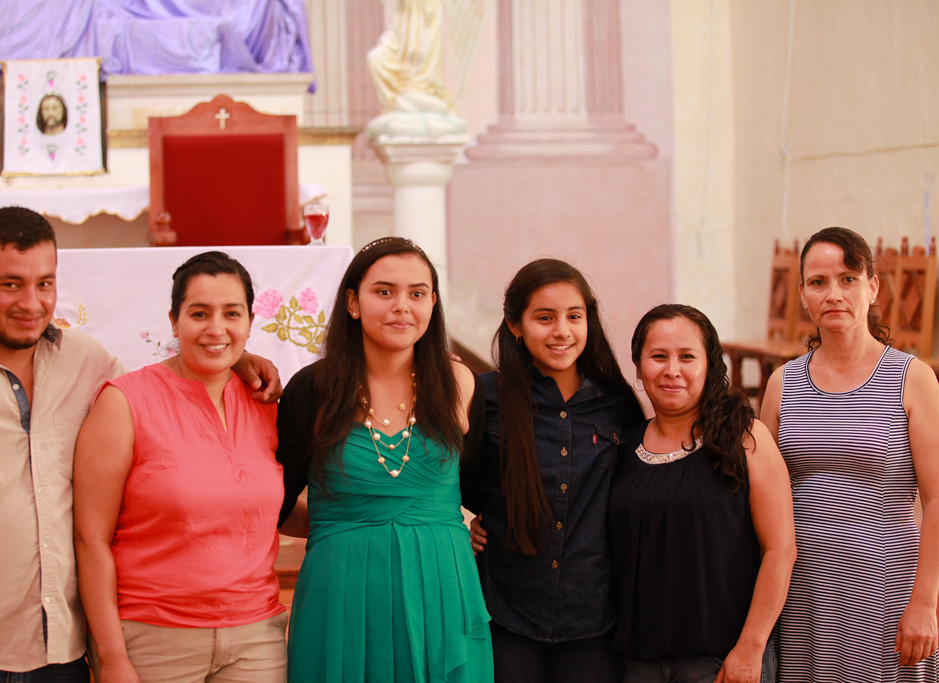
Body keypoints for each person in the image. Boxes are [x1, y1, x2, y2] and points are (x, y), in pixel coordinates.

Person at [0, 207, 280, 683]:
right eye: (11, 284)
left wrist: (233, 354)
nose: (31, 301)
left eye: (45, 283)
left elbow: (171, 397)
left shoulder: (85, 360)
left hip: (60, 650)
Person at [74, 252, 306, 683]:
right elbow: (90, 539)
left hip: (257, 637)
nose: (216, 329)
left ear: (250, 322)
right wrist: (111, 656)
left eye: (231, 313)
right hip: (153, 636)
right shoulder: (125, 402)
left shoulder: (266, 403)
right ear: (174, 319)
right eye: (199, 313)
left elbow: (273, 511)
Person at [276, 237, 493, 682]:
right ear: (353, 302)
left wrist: (467, 526)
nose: (402, 306)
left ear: (432, 303)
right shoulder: (311, 389)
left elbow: (482, 487)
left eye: (417, 293)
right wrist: (342, 522)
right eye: (384, 291)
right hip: (341, 588)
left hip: (442, 585)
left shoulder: (460, 382)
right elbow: (275, 504)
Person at [761, 226, 939, 682]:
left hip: (890, 590)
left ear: (873, 286)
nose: (833, 294)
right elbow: (765, 498)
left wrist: (925, 601)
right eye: (818, 282)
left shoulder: (911, 378)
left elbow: (937, 498)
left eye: (848, 279)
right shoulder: (783, 384)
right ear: (802, 294)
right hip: (806, 594)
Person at [466, 258, 645, 683]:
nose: (562, 330)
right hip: (505, 610)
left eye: (574, 316)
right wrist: (465, 522)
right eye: (544, 318)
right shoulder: (484, 397)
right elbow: (447, 477)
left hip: (593, 616)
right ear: (515, 325)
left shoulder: (617, 406)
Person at [607, 304, 795, 683]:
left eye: (687, 357)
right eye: (658, 356)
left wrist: (751, 647)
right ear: (639, 367)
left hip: (723, 664)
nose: (672, 370)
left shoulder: (745, 437)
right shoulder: (622, 446)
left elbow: (780, 550)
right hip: (638, 666)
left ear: (709, 364)